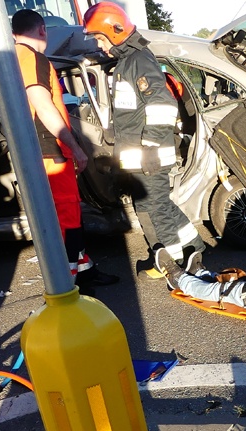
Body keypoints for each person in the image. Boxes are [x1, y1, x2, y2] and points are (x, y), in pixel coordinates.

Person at [83, 1, 205, 269]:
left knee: (156, 209)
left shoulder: (138, 60)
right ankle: (194, 247)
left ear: (114, 31)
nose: (100, 46)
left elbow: (162, 104)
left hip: (151, 154)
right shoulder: (127, 61)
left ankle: (174, 265)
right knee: (160, 205)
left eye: (100, 39)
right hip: (139, 155)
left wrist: (149, 146)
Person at [11, 9, 119, 294]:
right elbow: (42, 104)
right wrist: (75, 147)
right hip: (51, 151)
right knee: (67, 217)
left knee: (68, 216)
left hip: (42, 150)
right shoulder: (33, 58)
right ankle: (68, 287)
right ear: (43, 30)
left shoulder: (13, 58)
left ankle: (85, 271)